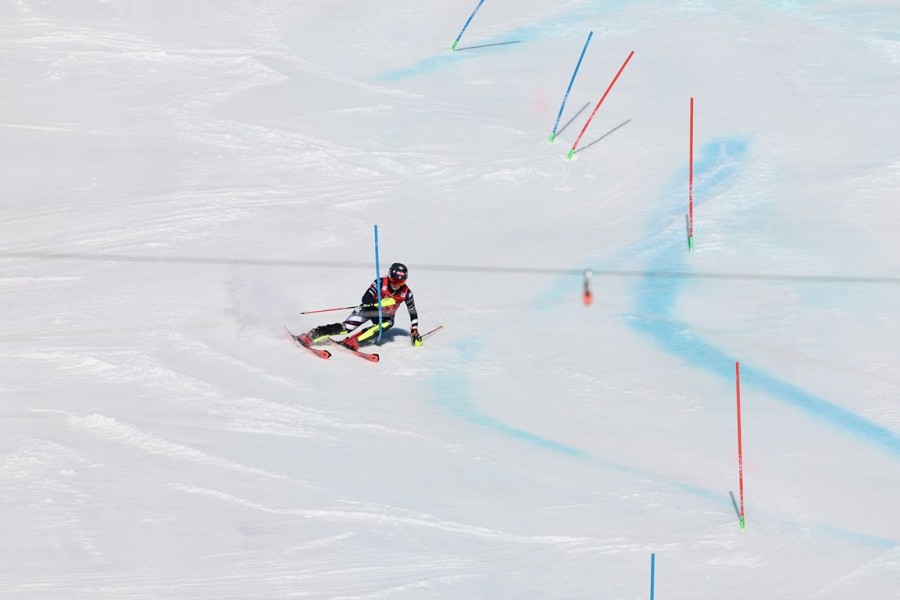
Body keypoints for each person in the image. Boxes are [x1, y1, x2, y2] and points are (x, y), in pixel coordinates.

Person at [300, 262, 422, 350]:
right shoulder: (380, 283)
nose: (397, 285)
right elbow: (365, 297)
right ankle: (311, 335)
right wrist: (377, 303)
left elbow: (412, 311)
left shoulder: (407, 293)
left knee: (388, 323)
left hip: (385, 316)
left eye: (401, 282)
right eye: (394, 280)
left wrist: (414, 330)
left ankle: (354, 341)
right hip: (369, 309)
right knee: (345, 328)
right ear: (389, 277)